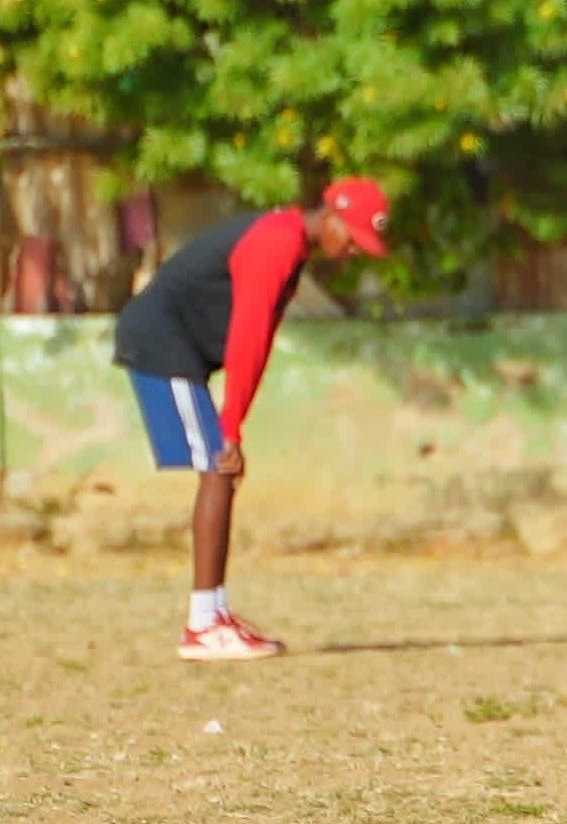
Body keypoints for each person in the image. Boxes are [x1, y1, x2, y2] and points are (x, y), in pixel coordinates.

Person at [110, 175, 393, 659]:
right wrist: (231, 428)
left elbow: (256, 345)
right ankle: (202, 626)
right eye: (351, 238)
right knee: (218, 466)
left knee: (220, 469)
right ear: (331, 216)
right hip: (159, 341)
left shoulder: (290, 244)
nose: (351, 252)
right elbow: (248, 334)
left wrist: (233, 424)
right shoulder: (276, 243)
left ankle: (214, 614)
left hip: (177, 347)